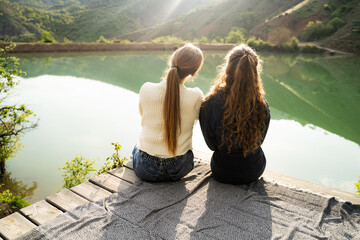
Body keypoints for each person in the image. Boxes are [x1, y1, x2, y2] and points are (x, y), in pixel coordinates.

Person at [199, 44, 270, 184]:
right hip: (254, 170)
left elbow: (212, 145)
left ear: (228, 68)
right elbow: (260, 140)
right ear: (255, 71)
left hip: (222, 171)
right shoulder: (262, 104)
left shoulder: (210, 102)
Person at [132, 43, 204, 182]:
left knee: (137, 145)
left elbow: (144, 116)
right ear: (194, 72)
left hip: (145, 168)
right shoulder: (196, 96)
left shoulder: (146, 88)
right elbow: (196, 118)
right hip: (179, 167)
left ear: (171, 61)